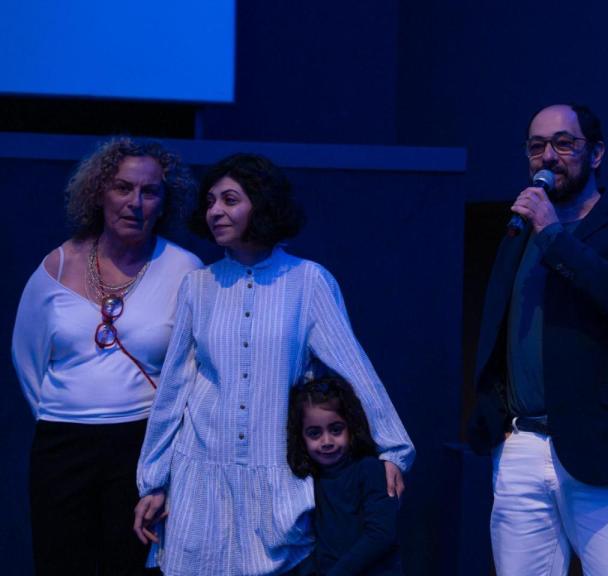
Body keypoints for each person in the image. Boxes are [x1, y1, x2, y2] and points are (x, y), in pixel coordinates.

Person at [133, 153, 414, 576]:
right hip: (201, 471)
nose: (215, 211)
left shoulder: (308, 281)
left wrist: (393, 447)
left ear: (261, 204)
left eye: (230, 200)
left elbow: (354, 366)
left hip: (275, 473)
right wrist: (153, 480)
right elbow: (174, 388)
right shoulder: (198, 286)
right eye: (210, 202)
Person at [466, 103, 608, 575]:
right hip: (522, 443)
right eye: (536, 146)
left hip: (607, 447)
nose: (548, 156)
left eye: (564, 143)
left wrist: (554, 235)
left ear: (596, 153)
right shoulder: (518, 232)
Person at [11, 137, 203, 575]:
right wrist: (64, 411)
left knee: (131, 566)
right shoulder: (55, 266)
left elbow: (190, 371)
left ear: (164, 200)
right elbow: (26, 359)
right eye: (122, 188)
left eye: (149, 191)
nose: (135, 202)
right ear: (99, 193)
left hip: (140, 444)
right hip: (62, 445)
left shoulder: (185, 269)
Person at [287, 377, 402, 576]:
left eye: (336, 429)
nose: (327, 441)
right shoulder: (310, 480)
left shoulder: (370, 469)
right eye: (315, 433)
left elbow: (381, 535)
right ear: (302, 438)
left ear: (350, 427)